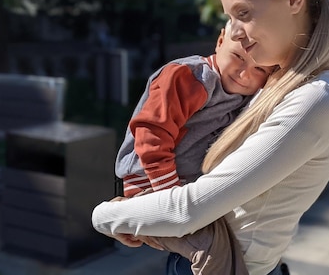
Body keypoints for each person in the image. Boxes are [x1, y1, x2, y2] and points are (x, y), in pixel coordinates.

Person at [92, 0, 329, 275]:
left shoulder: (316, 99)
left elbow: (191, 209)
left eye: (243, 12)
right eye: (230, 17)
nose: (236, 30)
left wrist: (104, 216)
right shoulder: (277, 79)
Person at [115, 21, 275, 274]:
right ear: (220, 40)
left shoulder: (245, 96)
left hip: (187, 190)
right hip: (153, 185)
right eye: (237, 56)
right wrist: (171, 198)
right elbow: (152, 134)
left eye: (259, 70)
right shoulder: (191, 76)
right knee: (214, 253)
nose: (244, 73)